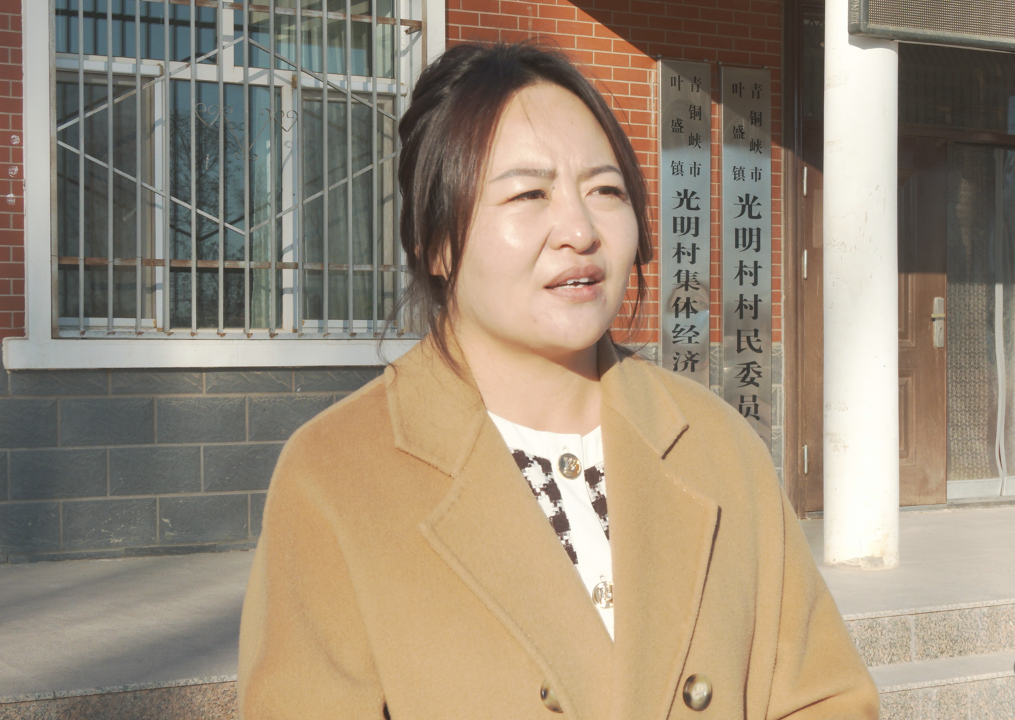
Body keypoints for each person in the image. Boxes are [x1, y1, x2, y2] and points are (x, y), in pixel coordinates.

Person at [237, 42, 878, 719]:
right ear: (437, 242)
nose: (579, 230)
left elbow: (826, 698)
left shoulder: (715, 444)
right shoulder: (335, 477)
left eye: (605, 190)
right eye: (528, 193)